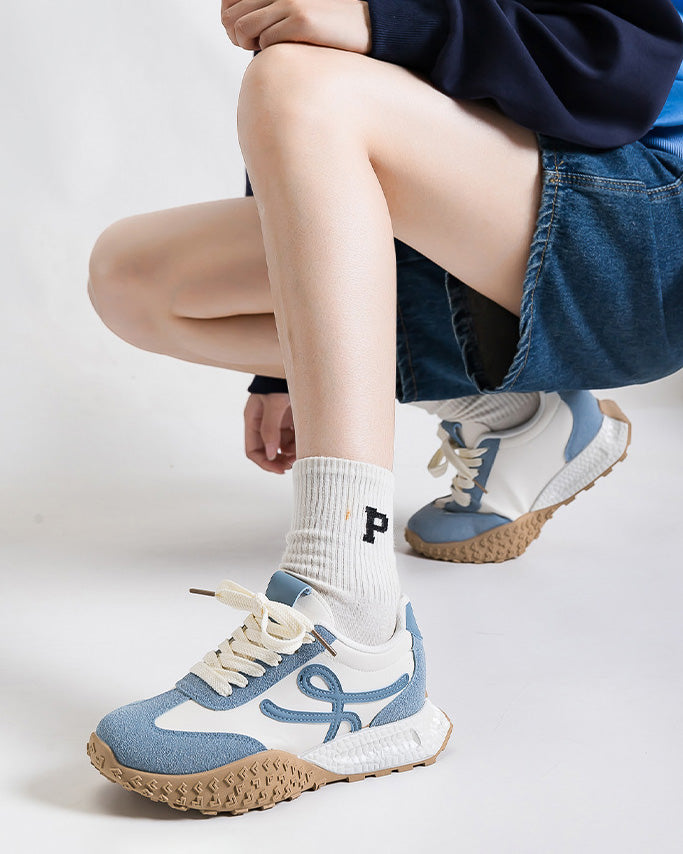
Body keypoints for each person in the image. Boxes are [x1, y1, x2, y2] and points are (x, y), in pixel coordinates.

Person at [85, 0, 683, 814]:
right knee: (135, 278)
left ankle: (354, 629)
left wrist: (383, 21)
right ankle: (517, 416)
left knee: (300, 84)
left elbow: (620, 74)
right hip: (486, 227)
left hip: (643, 232)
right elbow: (322, 134)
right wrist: (285, 370)